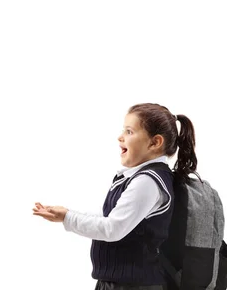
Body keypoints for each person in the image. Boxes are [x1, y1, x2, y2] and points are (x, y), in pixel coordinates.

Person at [33, 103, 198, 290]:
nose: (120, 137)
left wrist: (67, 217)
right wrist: (66, 214)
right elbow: (111, 220)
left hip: (134, 286)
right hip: (123, 283)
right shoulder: (137, 178)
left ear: (155, 142)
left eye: (129, 132)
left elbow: (113, 229)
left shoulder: (147, 182)